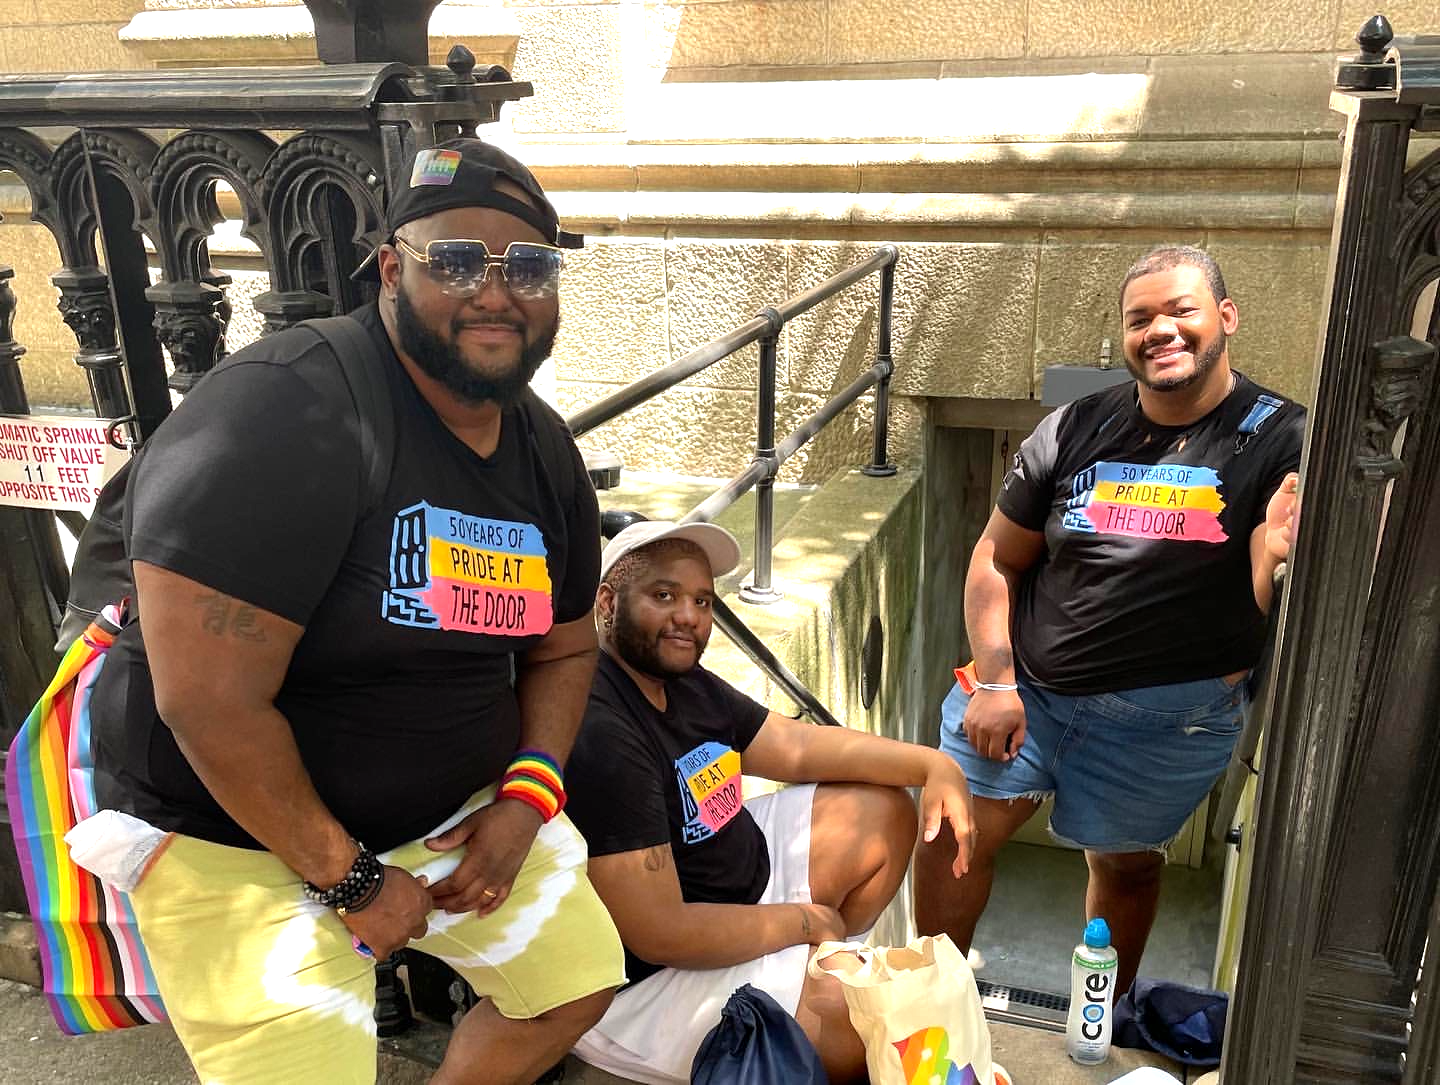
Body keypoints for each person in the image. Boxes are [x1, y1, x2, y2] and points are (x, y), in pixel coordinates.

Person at [87, 139, 625, 1084]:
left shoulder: (539, 445)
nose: (497, 293)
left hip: (453, 820)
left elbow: (566, 645)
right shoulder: (287, 412)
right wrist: (354, 880)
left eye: (529, 267)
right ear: (390, 269)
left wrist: (526, 797)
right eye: (456, 260)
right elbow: (208, 701)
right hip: (241, 839)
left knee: (575, 981)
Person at [913, 245, 1305, 996]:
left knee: (1124, 864)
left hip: (1167, 725)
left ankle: (1104, 1022)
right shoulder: (1072, 427)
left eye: (1181, 310)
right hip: (1026, 692)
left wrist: (1275, 550)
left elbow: (1268, 565)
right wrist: (994, 677)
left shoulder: (1282, 436)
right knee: (948, 832)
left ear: (1224, 317)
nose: (1161, 329)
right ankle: (927, 1004)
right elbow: (997, 557)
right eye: (1140, 318)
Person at [563, 520, 977, 1084]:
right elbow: (661, 933)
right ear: (608, 602)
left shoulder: (681, 681)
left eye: (702, 600)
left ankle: (810, 977)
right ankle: (810, 1000)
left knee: (882, 815)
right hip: (653, 979)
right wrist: (804, 922)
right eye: (665, 596)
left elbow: (798, 747)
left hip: (740, 885)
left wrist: (934, 765)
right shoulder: (603, 730)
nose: (689, 615)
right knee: (864, 1018)